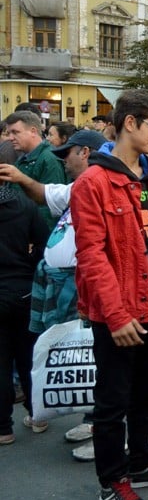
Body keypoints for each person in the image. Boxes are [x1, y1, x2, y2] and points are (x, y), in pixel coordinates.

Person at [70, 89, 148, 500]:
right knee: (113, 400)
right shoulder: (92, 182)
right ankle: (113, 480)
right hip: (119, 312)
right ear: (130, 124)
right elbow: (91, 256)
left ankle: (141, 461)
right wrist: (117, 315)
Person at [0, 130, 108, 455]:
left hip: (84, 282)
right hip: (62, 281)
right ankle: (92, 419)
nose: (63, 161)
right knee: (77, 352)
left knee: (94, 354)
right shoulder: (79, 187)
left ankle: (105, 429)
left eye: (68, 154)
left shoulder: (102, 187)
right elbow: (45, 195)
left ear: (86, 153)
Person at [0, 142, 48, 445]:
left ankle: (3, 427)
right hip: (22, 288)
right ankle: (36, 414)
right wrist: (29, 263)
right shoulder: (25, 206)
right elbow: (44, 244)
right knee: (27, 355)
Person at [7, 110, 66, 229]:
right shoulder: (24, 157)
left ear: (33, 131)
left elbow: (51, 204)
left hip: (35, 236)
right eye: (9, 133)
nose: (10, 138)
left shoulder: (49, 159)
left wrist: (36, 237)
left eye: (15, 132)